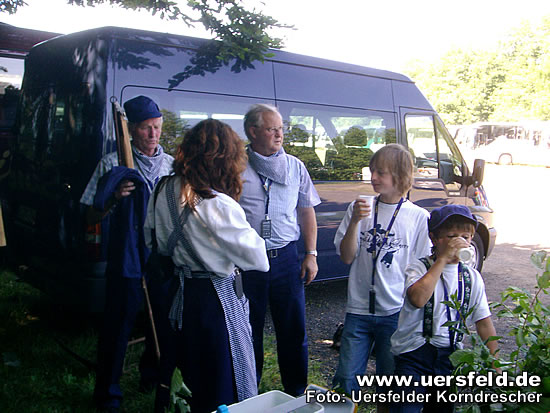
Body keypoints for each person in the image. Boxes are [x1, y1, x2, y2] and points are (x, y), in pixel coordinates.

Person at [144, 119, 269, 413]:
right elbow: (259, 260)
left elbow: (153, 241)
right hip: (215, 301)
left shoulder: (163, 188)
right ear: (225, 159)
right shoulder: (217, 204)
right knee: (223, 380)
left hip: (179, 294)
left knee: (187, 373)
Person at [80, 95, 174, 412]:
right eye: (146, 127)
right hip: (125, 258)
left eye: (157, 127)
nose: (153, 134)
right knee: (117, 326)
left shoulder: (171, 166)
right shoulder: (113, 164)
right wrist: (113, 197)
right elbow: (90, 214)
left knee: (163, 323)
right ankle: (108, 395)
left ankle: (154, 379)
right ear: (131, 129)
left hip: (161, 257)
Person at [332, 144, 432, 401]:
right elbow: (346, 256)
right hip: (358, 310)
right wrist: (355, 221)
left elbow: (421, 268)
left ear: (399, 176)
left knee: (389, 384)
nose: (373, 177)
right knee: (346, 380)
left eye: (381, 172)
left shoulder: (418, 217)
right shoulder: (360, 207)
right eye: (372, 170)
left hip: (395, 312)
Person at [239, 103, 321, 396]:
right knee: (248, 329)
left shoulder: (295, 166)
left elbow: (306, 211)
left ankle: (296, 390)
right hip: (248, 260)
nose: (279, 135)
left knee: (293, 328)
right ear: (253, 132)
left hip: (286, 258)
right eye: (271, 129)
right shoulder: (237, 166)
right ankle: (250, 391)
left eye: (281, 129)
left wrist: (311, 254)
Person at [390, 205, 498, 413]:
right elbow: (418, 299)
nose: (459, 242)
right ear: (434, 238)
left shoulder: (471, 277)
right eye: (451, 236)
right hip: (413, 354)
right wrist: (441, 260)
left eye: (465, 237)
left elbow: (484, 323)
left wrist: (496, 365)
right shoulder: (418, 268)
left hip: (449, 356)